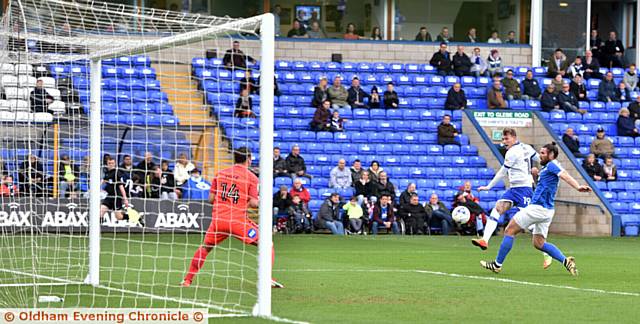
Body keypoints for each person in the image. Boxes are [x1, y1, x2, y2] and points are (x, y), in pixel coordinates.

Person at [480, 142, 590, 275]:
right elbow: (544, 186)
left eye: (543, 153)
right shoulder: (547, 168)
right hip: (547, 210)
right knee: (539, 243)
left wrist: (578, 186)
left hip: (537, 208)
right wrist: (535, 177)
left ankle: (497, 265)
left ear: (551, 155)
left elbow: (564, 175)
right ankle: (566, 261)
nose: (540, 155)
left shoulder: (552, 165)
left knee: (509, 230)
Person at [181, 147, 284, 288]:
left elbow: (211, 199)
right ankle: (266, 278)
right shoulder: (251, 177)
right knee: (267, 244)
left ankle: (187, 280)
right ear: (248, 159)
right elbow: (254, 204)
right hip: (237, 222)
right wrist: (262, 201)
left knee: (205, 248)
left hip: (218, 221)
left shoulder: (220, 174)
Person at [473, 128, 542, 257]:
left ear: (514, 138)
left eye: (507, 139)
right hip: (513, 189)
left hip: (524, 189)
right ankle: (484, 240)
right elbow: (541, 159)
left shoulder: (512, 152)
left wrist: (489, 186)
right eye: (503, 139)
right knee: (497, 209)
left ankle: (546, 252)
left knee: (529, 224)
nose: (504, 141)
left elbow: (502, 172)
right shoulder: (526, 147)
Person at [100, 157, 129, 221]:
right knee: (100, 212)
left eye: (112, 163)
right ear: (107, 164)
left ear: (115, 164)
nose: (111, 164)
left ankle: (135, 217)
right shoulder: (108, 173)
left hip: (116, 197)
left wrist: (125, 198)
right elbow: (103, 181)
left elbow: (121, 186)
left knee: (119, 217)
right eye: (109, 163)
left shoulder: (117, 173)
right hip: (109, 196)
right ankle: (97, 229)